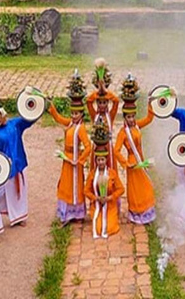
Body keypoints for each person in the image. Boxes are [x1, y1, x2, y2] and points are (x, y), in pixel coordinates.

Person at [48, 71, 92, 225]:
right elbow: (59, 118)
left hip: (75, 161)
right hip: (66, 160)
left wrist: (79, 160)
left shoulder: (81, 128)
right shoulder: (70, 124)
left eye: (77, 113)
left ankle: (78, 214)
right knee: (66, 186)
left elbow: (88, 146)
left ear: (82, 114)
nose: (74, 116)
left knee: (77, 186)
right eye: (72, 113)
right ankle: (66, 213)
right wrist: (51, 107)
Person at [114, 74, 156, 224]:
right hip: (133, 163)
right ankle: (136, 212)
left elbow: (150, 119)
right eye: (128, 117)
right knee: (135, 189)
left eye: (132, 116)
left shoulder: (137, 125)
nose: (131, 119)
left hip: (141, 160)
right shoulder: (122, 133)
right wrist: (125, 162)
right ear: (124, 118)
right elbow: (116, 150)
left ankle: (146, 212)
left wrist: (150, 103)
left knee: (146, 186)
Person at [84, 123, 125, 239]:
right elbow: (86, 191)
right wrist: (95, 198)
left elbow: (121, 189)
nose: (101, 162)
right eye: (98, 160)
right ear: (96, 160)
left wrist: (109, 198)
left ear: (106, 160)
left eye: (103, 159)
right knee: (97, 228)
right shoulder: (92, 174)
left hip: (109, 204)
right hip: (97, 204)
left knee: (109, 228)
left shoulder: (111, 173)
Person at [86, 58, 119, 168]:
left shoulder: (111, 115)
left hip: (108, 147)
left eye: (104, 102)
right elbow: (89, 101)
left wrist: (105, 91)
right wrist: (98, 91)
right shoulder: (94, 115)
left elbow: (116, 101)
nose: (102, 105)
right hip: (97, 148)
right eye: (99, 102)